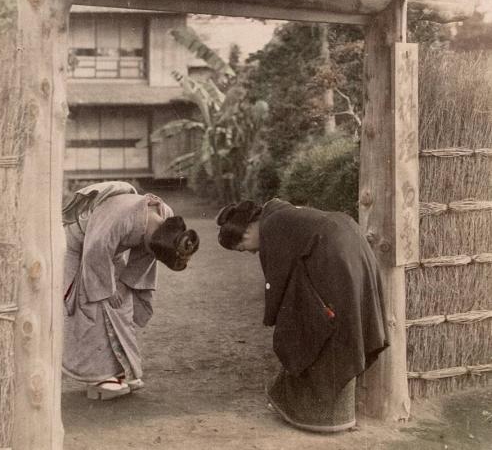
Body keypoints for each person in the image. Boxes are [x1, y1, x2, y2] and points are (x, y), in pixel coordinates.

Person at [217, 198, 388, 432]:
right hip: (353, 245)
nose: (251, 252)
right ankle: (336, 413)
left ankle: (319, 416)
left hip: (335, 254)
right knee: (344, 323)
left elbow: (278, 283)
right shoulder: (278, 213)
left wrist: (276, 319)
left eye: (243, 248)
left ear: (246, 232)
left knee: (313, 328)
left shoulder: (272, 225)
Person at [62, 181, 199, 400]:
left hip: (107, 252)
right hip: (78, 244)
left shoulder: (165, 216)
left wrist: (124, 285)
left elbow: (146, 255)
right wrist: (108, 290)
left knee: (123, 306)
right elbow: (94, 251)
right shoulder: (122, 216)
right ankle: (99, 379)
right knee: (94, 305)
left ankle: (122, 371)